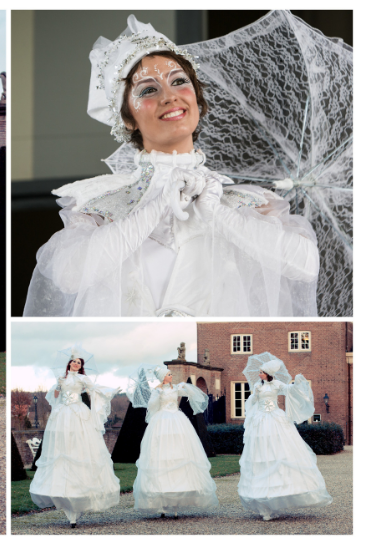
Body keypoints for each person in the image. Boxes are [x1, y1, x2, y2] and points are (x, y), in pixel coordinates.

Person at [23, 15, 319, 317]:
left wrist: (219, 215)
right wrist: (153, 209)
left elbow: (305, 266)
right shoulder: (102, 208)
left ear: (199, 102)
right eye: (148, 90)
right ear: (127, 118)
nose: (170, 96)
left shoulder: (247, 203)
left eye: (179, 81)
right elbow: (68, 275)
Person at [237, 353, 332, 520]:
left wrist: (297, 384)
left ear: (268, 373)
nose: (259, 374)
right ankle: (264, 504)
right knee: (262, 454)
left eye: (261, 372)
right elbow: (251, 403)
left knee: (280, 450)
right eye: (259, 372)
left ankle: (280, 495)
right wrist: (253, 399)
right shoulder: (257, 387)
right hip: (261, 420)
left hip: (275, 418)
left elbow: (289, 390)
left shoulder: (276, 385)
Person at [29, 357, 120, 527]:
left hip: (78, 413)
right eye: (74, 362)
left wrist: (109, 391)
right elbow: (55, 396)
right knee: (62, 447)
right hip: (62, 413)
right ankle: (65, 498)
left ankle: (81, 497)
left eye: (79, 363)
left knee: (81, 444)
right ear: (69, 364)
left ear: (81, 366)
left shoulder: (83, 379)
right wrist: (58, 385)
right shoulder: (62, 379)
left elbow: (94, 390)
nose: (76, 364)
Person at [130, 365, 218, 518]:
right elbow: (152, 407)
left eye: (170, 374)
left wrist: (186, 387)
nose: (171, 376)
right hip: (161, 421)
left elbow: (191, 393)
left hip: (177, 420)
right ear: (163, 377)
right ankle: (163, 501)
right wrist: (156, 395)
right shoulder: (157, 390)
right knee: (161, 454)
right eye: (169, 374)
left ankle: (176, 501)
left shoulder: (176, 388)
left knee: (178, 452)